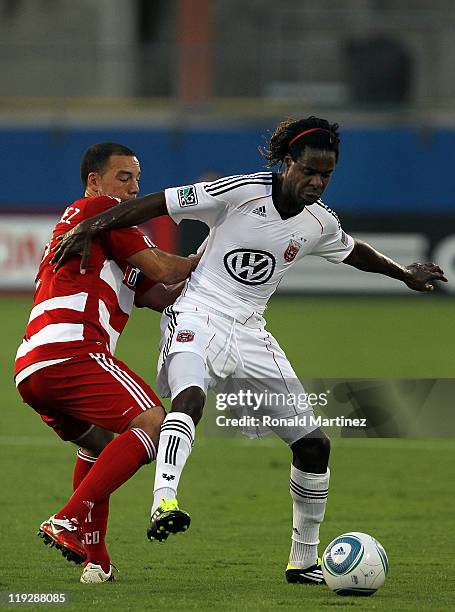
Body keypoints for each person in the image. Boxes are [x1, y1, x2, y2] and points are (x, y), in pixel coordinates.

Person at [51, 117, 447, 585]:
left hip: (252, 330)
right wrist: (91, 226)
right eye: (310, 171)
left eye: (327, 175)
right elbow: (158, 203)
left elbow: (353, 250)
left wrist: (405, 274)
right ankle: (165, 501)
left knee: (314, 444)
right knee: (189, 400)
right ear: (287, 163)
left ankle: (302, 562)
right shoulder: (238, 191)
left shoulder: (318, 221)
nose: (317, 182)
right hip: (197, 311)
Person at [14, 142, 198, 584]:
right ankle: (69, 518)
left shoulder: (100, 233)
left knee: (97, 445)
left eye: (137, 179)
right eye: (124, 177)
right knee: (155, 422)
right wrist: (214, 251)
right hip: (72, 351)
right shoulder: (101, 209)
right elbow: (168, 269)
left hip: (32, 367)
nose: (134, 189)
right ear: (94, 181)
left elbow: (161, 292)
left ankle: (96, 561)